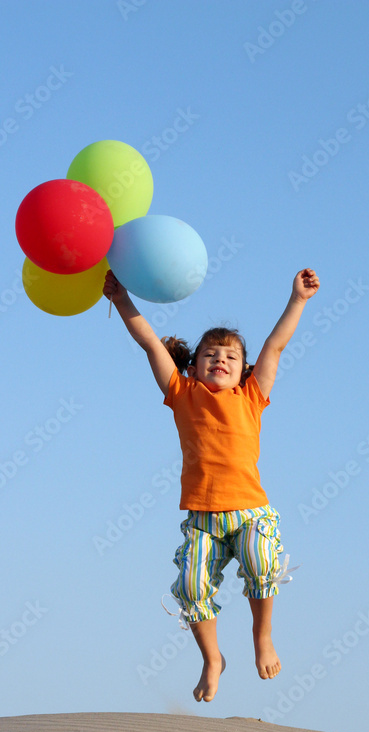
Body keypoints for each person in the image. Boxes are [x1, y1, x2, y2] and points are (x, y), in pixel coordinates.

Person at [103, 267, 320, 701]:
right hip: (202, 517)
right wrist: (121, 299)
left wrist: (298, 299)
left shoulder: (252, 396)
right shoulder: (182, 393)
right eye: (210, 354)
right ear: (194, 363)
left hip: (250, 511)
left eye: (231, 356)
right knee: (189, 587)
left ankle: (262, 636)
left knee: (261, 564)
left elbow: (276, 344)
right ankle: (213, 658)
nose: (220, 359)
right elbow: (149, 342)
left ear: (244, 371)